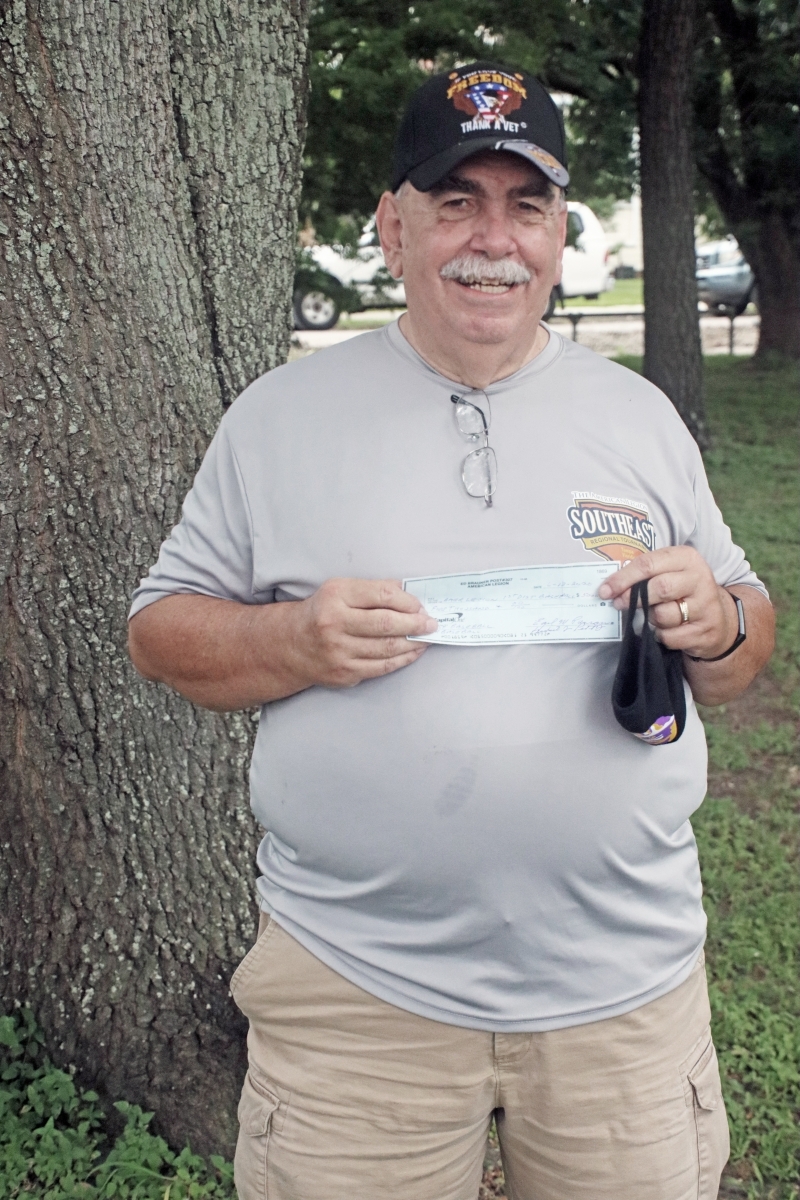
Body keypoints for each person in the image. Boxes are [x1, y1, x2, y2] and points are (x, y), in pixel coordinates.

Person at [128, 61, 774, 1200]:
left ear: (558, 231)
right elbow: (160, 633)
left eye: (524, 205)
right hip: (353, 999)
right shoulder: (280, 418)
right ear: (390, 224)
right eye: (454, 200)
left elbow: (741, 641)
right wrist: (294, 643)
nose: (493, 239)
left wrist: (714, 621)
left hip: (621, 997)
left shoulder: (636, 416)